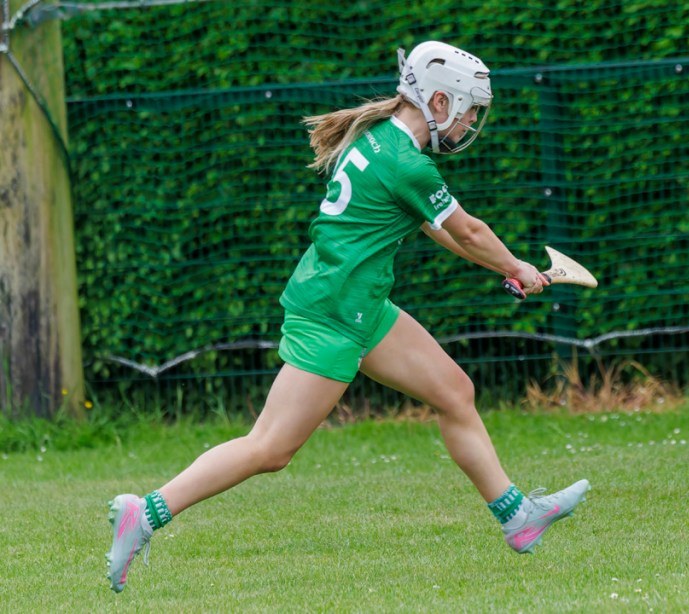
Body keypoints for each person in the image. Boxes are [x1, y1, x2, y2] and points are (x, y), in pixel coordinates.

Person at [105, 41, 591, 593]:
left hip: (361, 305)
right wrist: (517, 266)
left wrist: (506, 267)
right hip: (335, 313)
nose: (471, 123)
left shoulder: (381, 139)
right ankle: (144, 513)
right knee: (270, 448)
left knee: (455, 392)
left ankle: (516, 517)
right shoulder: (407, 162)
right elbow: (470, 230)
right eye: (470, 110)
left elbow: (439, 228)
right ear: (439, 101)